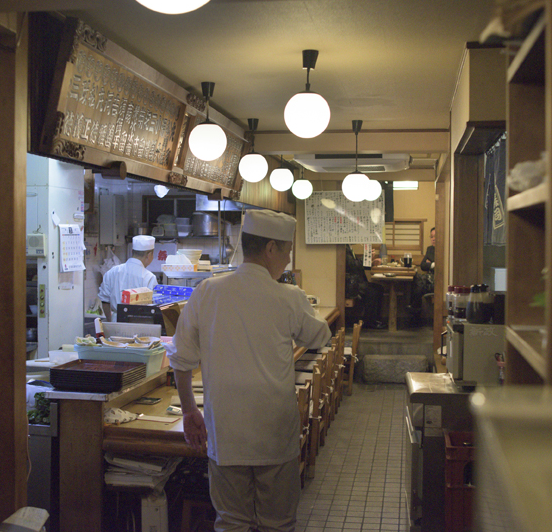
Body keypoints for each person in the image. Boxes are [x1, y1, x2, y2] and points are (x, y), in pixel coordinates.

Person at [169, 209, 331, 532]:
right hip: (274, 435)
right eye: (286, 252)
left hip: (226, 435)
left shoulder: (207, 292)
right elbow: (320, 336)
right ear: (270, 249)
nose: (287, 260)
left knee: (230, 523)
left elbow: (180, 359)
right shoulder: (289, 297)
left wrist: (190, 411)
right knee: (278, 523)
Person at [98, 234, 158, 322]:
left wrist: (110, 321)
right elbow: (152, 306)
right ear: (149, 255)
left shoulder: (112, 272)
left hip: (115, 324)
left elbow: (104, 300)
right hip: (139, 325)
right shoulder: (149, 277)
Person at [345, 244, 386, 329]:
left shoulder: (348, 247)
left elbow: (356, 265)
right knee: (372, 291)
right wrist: (366, 257)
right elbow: (353, 266)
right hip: (350, 283)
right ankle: (369, 321)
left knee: (379, 288)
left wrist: (371, 263)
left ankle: (375, 319)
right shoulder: (343, 248)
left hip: (355, 282)